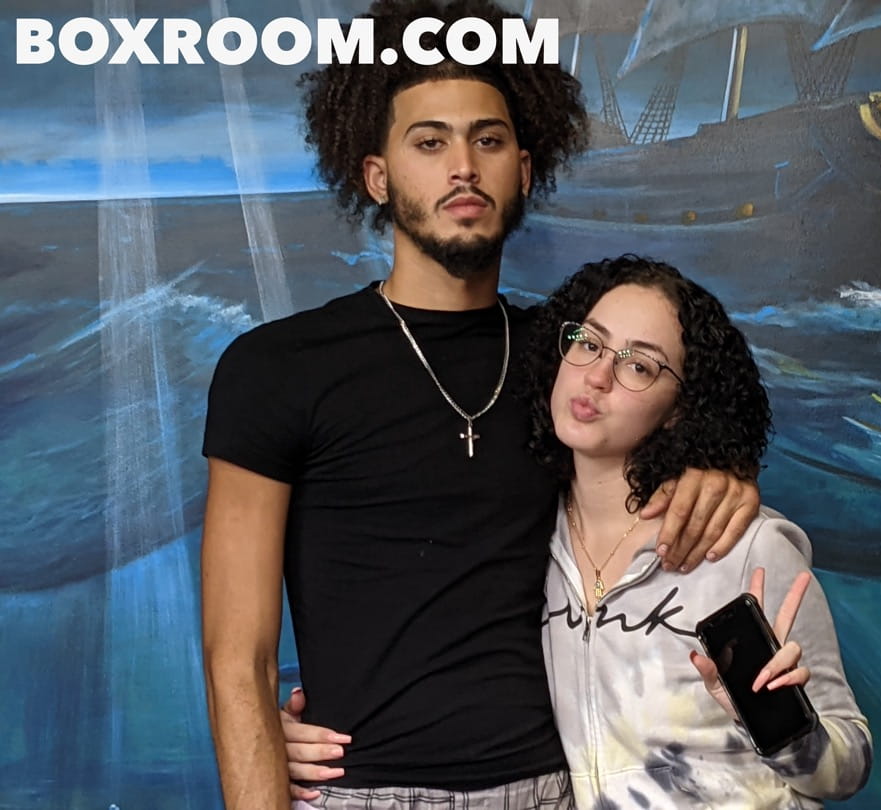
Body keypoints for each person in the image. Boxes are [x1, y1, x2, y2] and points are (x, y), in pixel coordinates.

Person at [199, 2, 762, 809]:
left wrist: (721, 473)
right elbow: (238, 660)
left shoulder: (572, 368)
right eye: (429, 143)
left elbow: (668, 447)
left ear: (524, 171)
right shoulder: (276, 368)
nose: (463, 167)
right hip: (362, 794)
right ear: (377, 176)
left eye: (488, 141)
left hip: (560, 789)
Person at [284, 256, 873, 807]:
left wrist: (774, 722)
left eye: (638, 365)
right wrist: (289, 726)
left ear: (680, 407)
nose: (597, 377)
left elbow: (848, 769)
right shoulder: (527, 540)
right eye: (588, 343)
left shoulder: (743, 547)